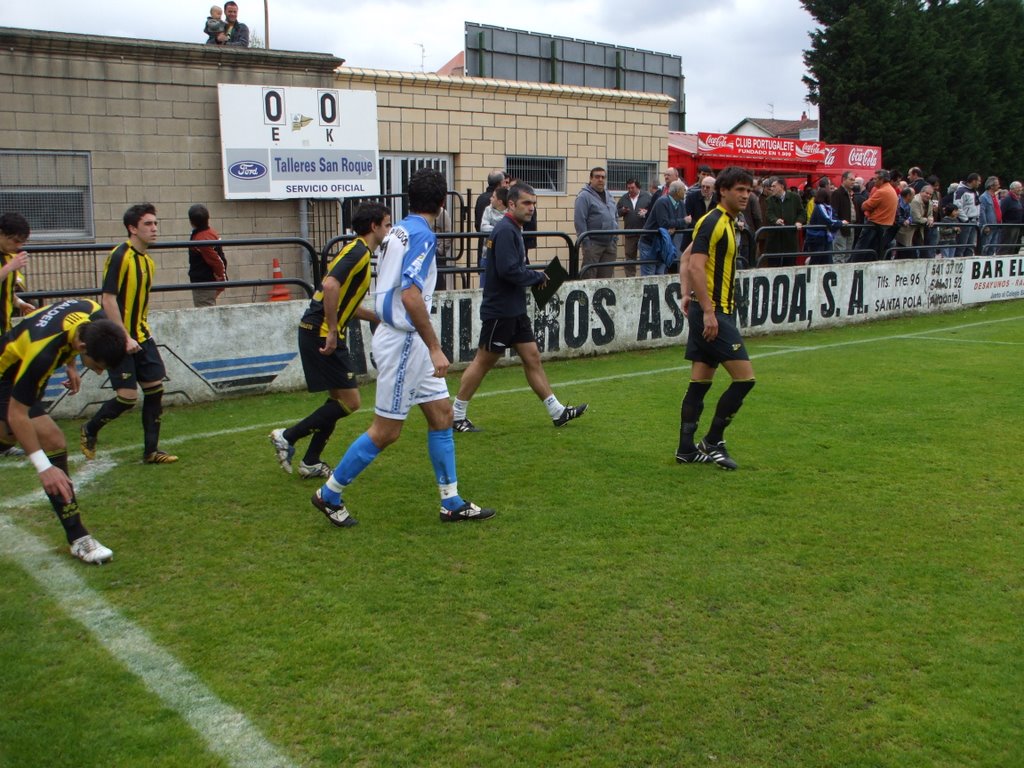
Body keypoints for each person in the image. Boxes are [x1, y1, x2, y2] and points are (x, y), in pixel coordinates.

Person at [311, 168, 494, 528]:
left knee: (441, 414)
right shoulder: (423, 236)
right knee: (387, 431)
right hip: (406, 342)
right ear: (442, 204)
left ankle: (451, 501)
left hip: (402, 338)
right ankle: (329, 494)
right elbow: (410, 295)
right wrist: (435, 347)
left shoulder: (396, 231)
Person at [451, 183, 588, 433]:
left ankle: (557, 411)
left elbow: (513, 267)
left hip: (514, 309)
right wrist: (538, 277)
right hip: (500, 311)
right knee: (483, 362)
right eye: (526, 203)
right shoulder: (505, 230)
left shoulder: (513, 229)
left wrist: (535, 276)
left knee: (532, 358)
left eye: (534, 203)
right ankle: (456, 414)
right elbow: (508, 270)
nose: (531, 208)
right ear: (511, 204)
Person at [268, 203, 390, 479]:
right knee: (351, 402)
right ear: (374, 226)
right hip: (320, 331)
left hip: (318, 329)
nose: (389, 230)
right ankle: (287, 436)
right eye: (387, 224)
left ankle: (311, 461)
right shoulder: (359, 252)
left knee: (336, 400)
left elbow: (341, 299)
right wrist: (333, 330)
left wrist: (375, 317)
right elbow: (331, 287)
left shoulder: (355, 250)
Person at [0, 298, 127, 563]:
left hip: (20, 367)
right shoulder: (43, 354)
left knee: (12, 436)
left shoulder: (93, 313)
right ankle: (79, 538)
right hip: (5, 376)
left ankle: (77, 537)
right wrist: (43, 467)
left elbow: (66, 328)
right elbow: (16, 413)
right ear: (84, 347)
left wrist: (70, 365)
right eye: (99, 365)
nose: (100, 371)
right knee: (49, 439)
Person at [80, 203, 178, 464]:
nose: (154, 228)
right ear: (132, 228)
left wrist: (138, 334)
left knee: (155, 390)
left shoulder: (147, 261)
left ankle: (151, 451)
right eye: (148, 224)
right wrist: (124, 337)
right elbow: (108, 299)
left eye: (156, 223)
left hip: (142, 335)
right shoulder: (120, 255)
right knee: (126, 398)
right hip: (118, 337)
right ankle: (89, 429)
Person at [676, 166, 756, 470]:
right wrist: (708, 311)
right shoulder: (714, 222)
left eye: (748, 190)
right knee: (745, 379)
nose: (746, 195)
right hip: (714, 312)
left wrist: (686, 295)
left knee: (701, 380)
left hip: (709, 310)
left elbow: (685, 258)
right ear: (723, 191)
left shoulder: (725, 222)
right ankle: (712, 440)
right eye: (740, 189)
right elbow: (695, 266)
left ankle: (686, 448)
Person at [0, 212, 37, 456]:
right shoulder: (8, 261)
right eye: (15, 241)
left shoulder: (9, 258)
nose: (19, 247)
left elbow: (6, 288)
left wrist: (18, 301)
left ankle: (6, 440)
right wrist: (10, 267)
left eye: (22, 242)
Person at [573, 167, 618, 279]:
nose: (600, 179)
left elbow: (615, 216)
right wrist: (586, 244)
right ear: (591, 179)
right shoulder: (584, 196)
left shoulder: (609, 195)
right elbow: (580, 221)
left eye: (603, 177)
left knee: (605, 280)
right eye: (597, 177)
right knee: (589, 278)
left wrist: (615, 238)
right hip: (593, 245)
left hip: (610, 245)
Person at [638, 179, 687, 276]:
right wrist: (681, 222)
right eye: (683, 190)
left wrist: (675, 226)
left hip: (664, 244)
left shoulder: (681, 203)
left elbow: (685, 223)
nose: (685, 192)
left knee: (660, 274)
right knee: (649, 275)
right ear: (677, 192)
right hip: (650, 243)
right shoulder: (662, 201)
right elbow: (664, 223)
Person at [187, 204, 228, 307]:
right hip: (206, 282)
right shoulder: (210, 233)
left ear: (191, 221)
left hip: (204, 283)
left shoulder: (202, 239)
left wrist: (222, 279)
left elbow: (216, 261)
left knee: (205, 313)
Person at [763, 178, 805, 266]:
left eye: (774, 186)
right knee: (774, 264)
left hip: (790, 237)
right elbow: (769, 213)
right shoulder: (770, 200)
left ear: (781, 186)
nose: (771, 188)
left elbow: (802, 212)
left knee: (789, 264)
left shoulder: (794, 197)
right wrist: (775, 220)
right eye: (771, 186)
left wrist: (799, 221)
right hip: (775, 238)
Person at [617, 178, 651, 277]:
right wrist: (622, 210)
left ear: (638, 187)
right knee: (630, 257)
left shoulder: (647, 196)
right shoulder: (624, 198)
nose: (630, 190)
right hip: (630, 233)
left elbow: (653, 211)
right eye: (629, 188)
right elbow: (616, 212)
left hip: (644, 233)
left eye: (633, 188)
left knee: (646, 256)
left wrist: (646, 212)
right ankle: (630, 278)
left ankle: (646, 277)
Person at [803, 186, 846, 265]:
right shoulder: (820, 207)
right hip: (817, 238)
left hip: (824, 237)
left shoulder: (827, 208)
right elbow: (828, 220)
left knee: (825, 260)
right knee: (817, 260)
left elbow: (832, 218)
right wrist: (841, 223)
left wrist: (838, 222)